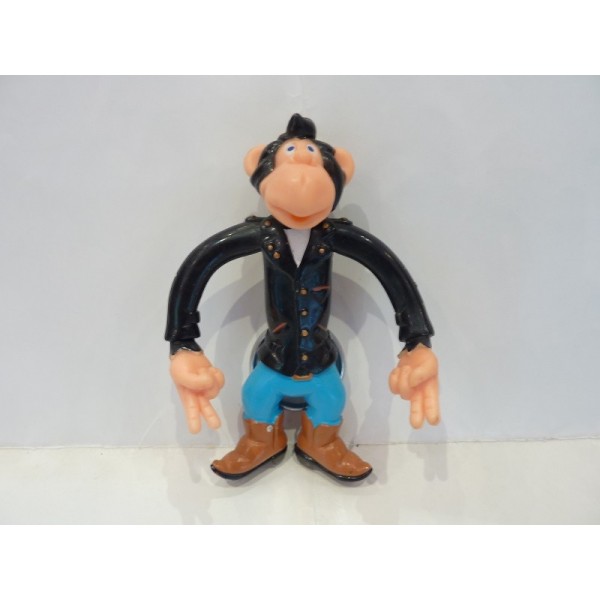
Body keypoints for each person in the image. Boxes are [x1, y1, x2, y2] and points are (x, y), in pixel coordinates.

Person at [166, 114, 440, 482]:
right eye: (288, 159)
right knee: (256, 395)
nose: (301, 180)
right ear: (259, 168)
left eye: (313, 161)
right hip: (274, 358)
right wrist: (183, 343)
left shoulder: (332, 236)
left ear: (340, 171)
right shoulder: (263, 235)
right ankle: (261, 440)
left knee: (331, 399)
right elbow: (200, 264)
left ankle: (321, 443)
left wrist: (417, 341)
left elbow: (390, 271)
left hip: (320, 359)